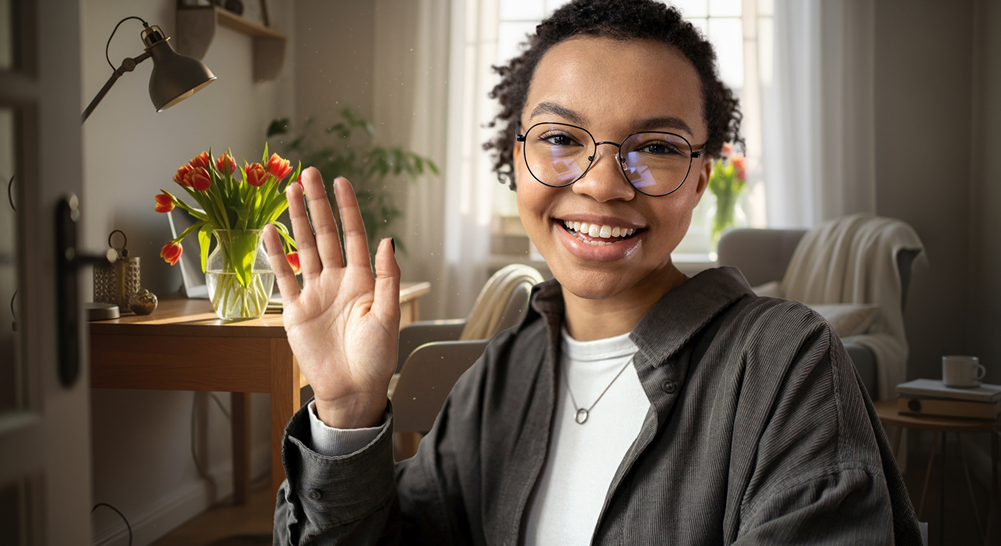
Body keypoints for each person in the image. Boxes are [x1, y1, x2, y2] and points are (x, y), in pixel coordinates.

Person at [265, 1, 922, 544]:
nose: (604, 184)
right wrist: (348, 416)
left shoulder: (785, 363)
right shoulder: (503, 369)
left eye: (657, 148)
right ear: (514, 158)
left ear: (699, 178)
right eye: (559, 139)